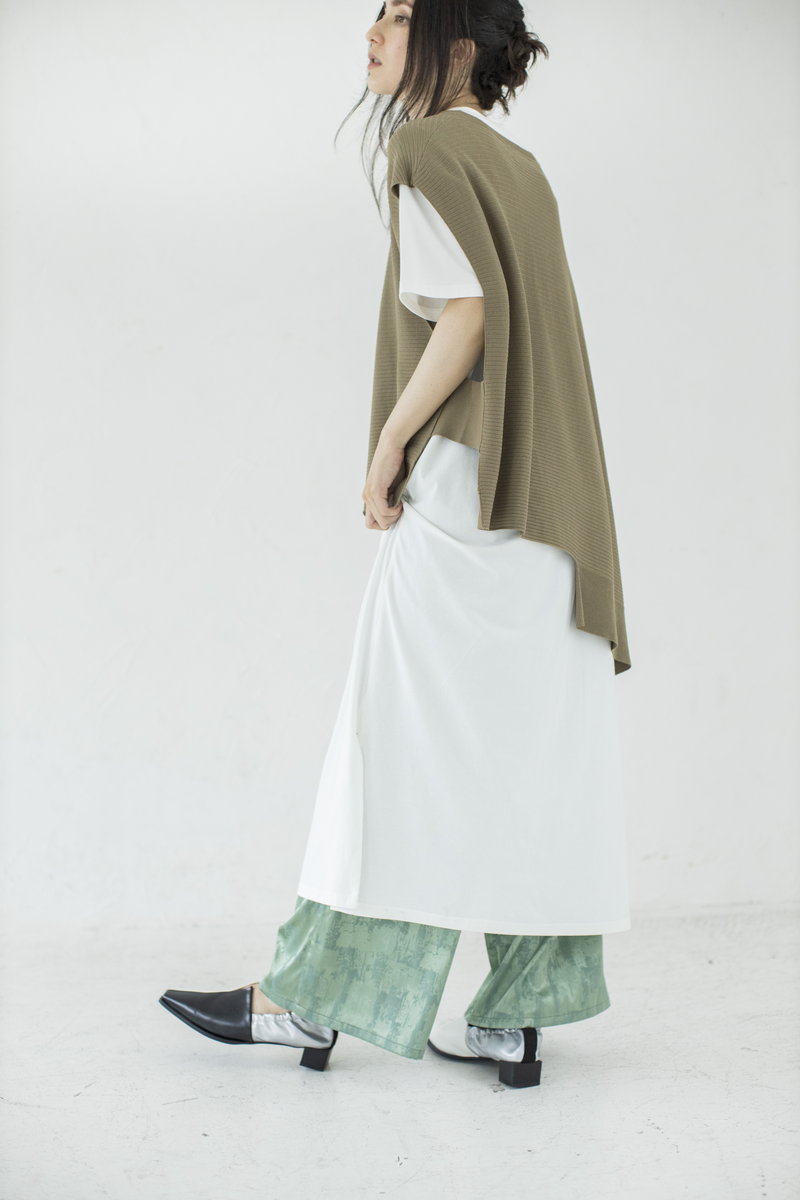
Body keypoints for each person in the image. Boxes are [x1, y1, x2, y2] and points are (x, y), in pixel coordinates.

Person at [159, 0, 632, 1091]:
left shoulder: (424, 148)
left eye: (401, 15)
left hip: (470, 490)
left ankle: (307, 1000)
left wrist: (386, 447)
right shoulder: (520, 167)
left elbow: (465, 315)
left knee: (389, 744)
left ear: (456, 46)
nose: (372, 32)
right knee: (533, 755)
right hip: (554, 509)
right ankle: (516, 1021)